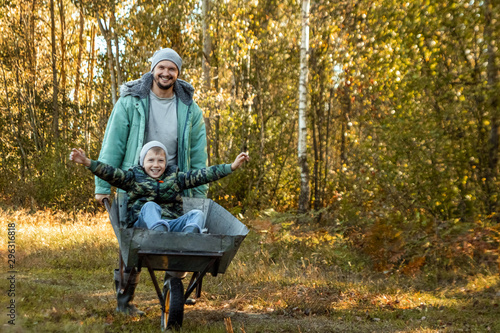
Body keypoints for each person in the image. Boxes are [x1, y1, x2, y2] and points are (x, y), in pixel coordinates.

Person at [94, 48, 209, 315]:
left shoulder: (190, 111)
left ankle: (172, 293)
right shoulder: (130, 102)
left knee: (177, 239)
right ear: (153, 69)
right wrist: (102, 187)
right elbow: (114, 144)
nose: (166, 73)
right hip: (134, 183)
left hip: (172, 186)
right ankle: (125, 302)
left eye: (172, 69)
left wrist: (198, 195)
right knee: (131, 244)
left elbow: (198, 156)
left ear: (178, 73)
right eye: (162, 68)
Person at [70, 141, 249, 234]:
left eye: (161, 160)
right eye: (151, 161)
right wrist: (87, 162)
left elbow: (203, 175)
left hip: (171, 224)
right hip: (144, 227)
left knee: (198, 214)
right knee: (150, 206)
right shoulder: (133, 177)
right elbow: (111, 173)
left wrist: (231, 166)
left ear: (166, 162)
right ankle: (158, 232)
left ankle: (188, 237)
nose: (156, 165)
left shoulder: (175, 178)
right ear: (143, 162)